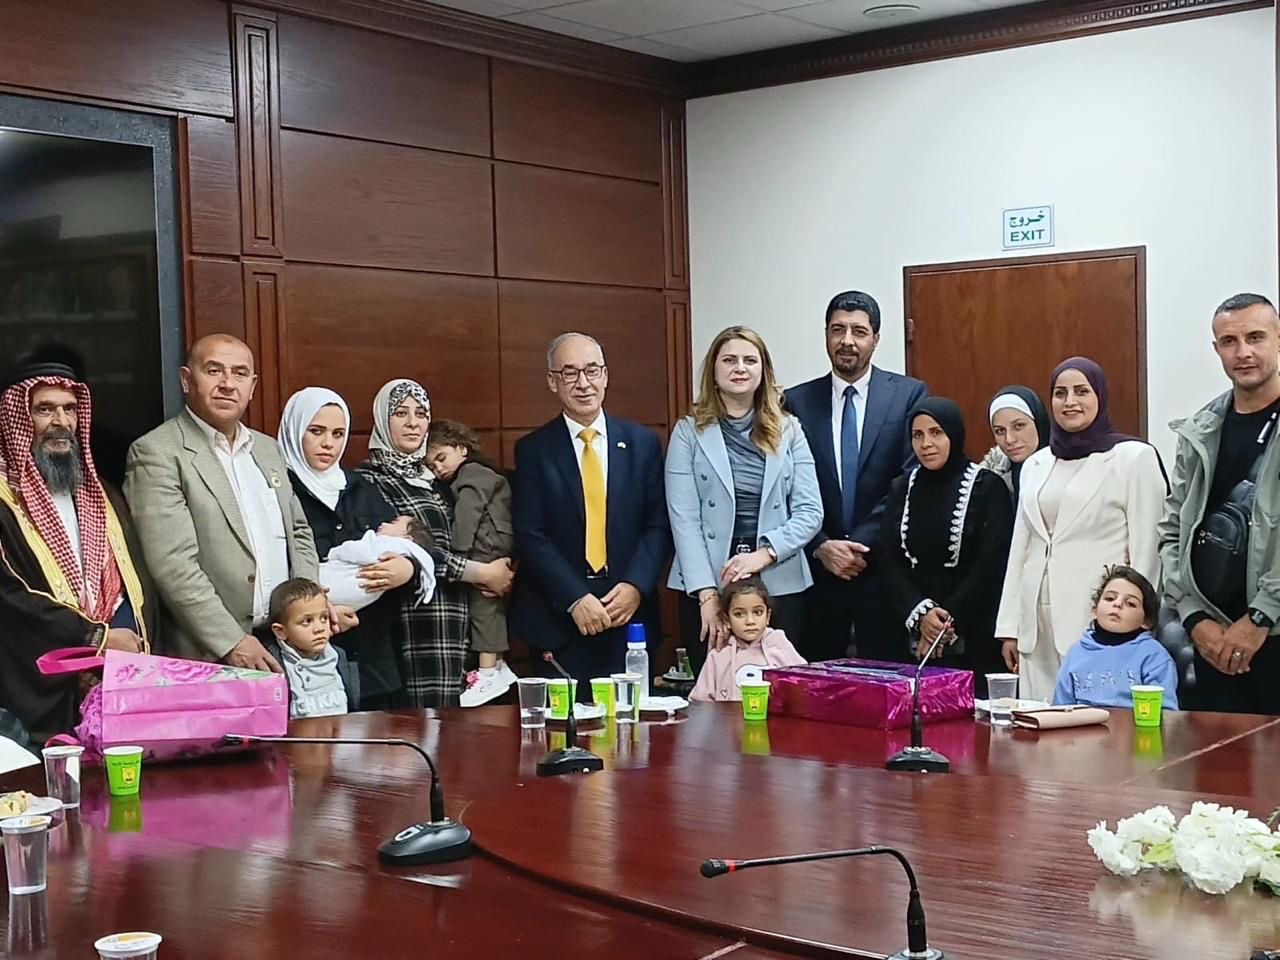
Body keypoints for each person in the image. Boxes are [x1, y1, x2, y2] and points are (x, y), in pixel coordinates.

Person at [125, 335, 331, 674]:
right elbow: (173, 564)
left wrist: (306, 608)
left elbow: (298, 532)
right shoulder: (158, 453)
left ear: (252, 387)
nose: (227, 384)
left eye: (239, 373)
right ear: (186, 380)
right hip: (211, 653)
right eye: (214, 370)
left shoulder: (267, 449)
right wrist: (231, 641)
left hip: (287, 643)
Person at [0, 360, 158, 740]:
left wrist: (117, 644)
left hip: (112, 685)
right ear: (18, 419)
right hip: (40, 692)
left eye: (70, 409)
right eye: (45, 409)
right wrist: (93, 640)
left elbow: (132, 584)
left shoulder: (103, 495)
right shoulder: (5, 501)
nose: (61, 421)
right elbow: (9, 597)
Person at [995, 357, 1166, 701]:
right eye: (1060, 393)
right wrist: (1009, 627)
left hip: (1099, 620)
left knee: (1092, 723)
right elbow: (1021, 548)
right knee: (1037, 721)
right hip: (1035, 625)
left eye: (1081, 391)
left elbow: (1148, 550)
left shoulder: (1133, 457)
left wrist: (1134, 622)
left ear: (1099, 395)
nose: (1070, 401)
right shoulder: (1036, 463)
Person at [511, 332, 672, 687]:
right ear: (552, 381)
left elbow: (658, 525)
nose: (583, 383)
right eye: (570, 373)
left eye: (592, 370)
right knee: (564, 721)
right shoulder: (534, 450)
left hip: (628, 618)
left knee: (632, 719)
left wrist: (635, 586)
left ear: (606, 375)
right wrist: (574, 598)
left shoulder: (643, 443)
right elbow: (530, 534)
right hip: (560, 620)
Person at [666, 325, 822, 677]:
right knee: (714, 691)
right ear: (713, 371)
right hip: (709, 582)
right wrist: (708, 595)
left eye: (750, 360)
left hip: (778, 582)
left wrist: (763, 554)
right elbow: (684, 519)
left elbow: (811, 512)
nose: (740, 368)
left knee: (780, 691)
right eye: (729, 360)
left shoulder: (790, 430)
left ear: (763, 371)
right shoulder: (688, 432)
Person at [784, 291, 928, 662]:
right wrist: (821, 545)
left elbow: (909, 479)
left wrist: (856, 545)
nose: (847, 340)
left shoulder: (908, 395)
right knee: (817, 682)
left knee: (885, 682)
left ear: (875, 339)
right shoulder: (795, 401)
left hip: (882, 570)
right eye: (838, 329)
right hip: (816, 574)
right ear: (826, 335)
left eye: (859, 331)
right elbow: (784, 487)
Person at [357, 378, 513, 708]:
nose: (413, 423)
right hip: (412, 626)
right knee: (419, 730)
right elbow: (404, 551)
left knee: (468, 733)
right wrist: (482, 573)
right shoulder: (369, 481)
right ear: (383, 419)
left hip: (463, 624)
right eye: (401, 413)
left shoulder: (439, 478)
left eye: (421, 413)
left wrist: (505, 567)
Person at [1159, 293, 1280, 715]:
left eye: (1255, 337)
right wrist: (1194, 617)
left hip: (1271, 633)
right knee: (1217, 758)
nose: (1242, 352)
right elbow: (1171, 531)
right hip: (1212, 643)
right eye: (1229, 341)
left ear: (1278, 339)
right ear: (1216, 349)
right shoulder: (1200, 431)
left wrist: (1262, 616)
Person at [277, 387, 423, 708]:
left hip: (375, 661)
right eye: (316, 431)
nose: (328, 443)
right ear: (294, 430)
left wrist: (407, 569)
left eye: (338, 433)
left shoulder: (360, 488)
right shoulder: (278, 490)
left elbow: (408, 543)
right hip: (307, 668)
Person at [877, 398, 1014, 695]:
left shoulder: (987, 487)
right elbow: (887, 556)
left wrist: (944, 623)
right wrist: (922, 615)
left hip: (973, 629)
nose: (926, 444)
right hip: (913, 630)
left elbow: (991, 564)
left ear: (954, 433)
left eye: (936, 433)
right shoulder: (902, 487)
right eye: (918, 435)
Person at [426, 419, 517, 707]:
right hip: (498, 541)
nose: (438, 468)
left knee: (482, 606)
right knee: (492, 605)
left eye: (441, 457)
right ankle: (498, 665)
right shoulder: (483, 472)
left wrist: (459, 554)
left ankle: (488, 673)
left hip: (486, 542)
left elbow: (468, 514)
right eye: (431, 465)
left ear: (462, 449)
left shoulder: (471, 474)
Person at [1052, 566, 1179, 710]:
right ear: (1094, 610)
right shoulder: (1076, 653)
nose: (1117, 604)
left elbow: (1166, 713)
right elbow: (1060, 710)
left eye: (1130, 603)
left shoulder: (1154, 656)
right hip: (1082, 724)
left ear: (1146, 621)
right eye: (1110, 598)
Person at [689, 577, 806, 702]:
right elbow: (699, 703)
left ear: (767, 616)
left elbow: (805, 686)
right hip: (728, 715)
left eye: (757, 612)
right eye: (739, 614)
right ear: (727, 619)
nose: (750, 621)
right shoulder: (718, 655)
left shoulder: (779, 646)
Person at [264, 578, 357, 720]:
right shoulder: (273, 666)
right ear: (280, 631)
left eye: (324, 618)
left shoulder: (338, 657)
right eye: (307, 621)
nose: (319, 628)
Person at [981, 385, 1051, 498]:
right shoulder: (990, 484)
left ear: (1038, 423)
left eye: (1019, 426)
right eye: (1000, 431)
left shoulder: (1066, 472)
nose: (1009, 439)